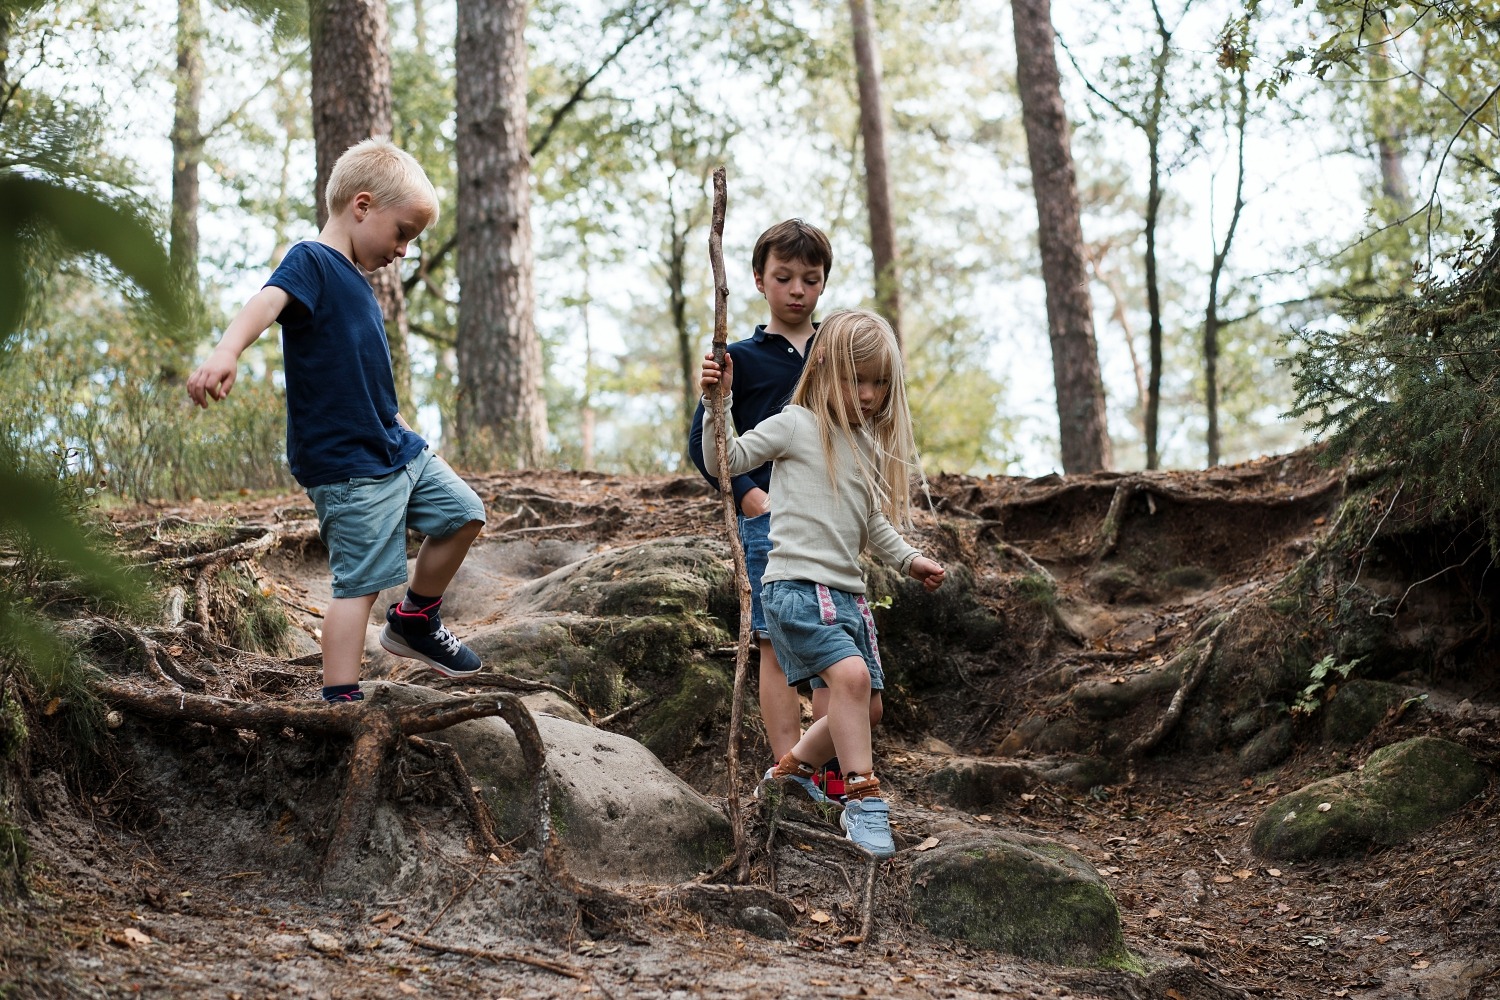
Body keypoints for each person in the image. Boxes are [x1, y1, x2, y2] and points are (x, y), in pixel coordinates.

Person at [186, 137, 485, 703]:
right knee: (359, 588)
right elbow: (265, 302)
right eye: (403, 233)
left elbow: (360, 373)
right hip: (349, 467)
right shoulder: (312, 261)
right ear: (363, 206)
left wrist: (396, 420)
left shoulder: (357, 281)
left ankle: (416, 619)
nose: (403, 250)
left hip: (394, 445)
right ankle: (340, 701)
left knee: (464, 512)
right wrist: (227, 351)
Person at [700, 309, 945, 857]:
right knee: (851, 680)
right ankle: (863, 799)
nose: (870, 394)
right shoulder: (795, 424)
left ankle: (788, 774)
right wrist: (719, 403)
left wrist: (910, 561)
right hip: (796, 591)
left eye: (881, 383)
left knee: (867, 707)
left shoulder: (865, 445)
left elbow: (871, 521)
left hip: (848, 598)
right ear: (827, 369)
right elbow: (728, 460)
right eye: (858, 380)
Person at [689, 219, 867, 799]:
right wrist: (747, 494)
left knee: (832, 641)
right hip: (769, 520)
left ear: (823, 285)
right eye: (783, 277)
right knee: (774, 639)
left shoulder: (836, 353)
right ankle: (790, 767)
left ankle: (835, 762)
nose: (797, 290)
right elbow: (708, 445)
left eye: (810, 280)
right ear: (758, 281)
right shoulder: (740, 357)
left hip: (831, 520)